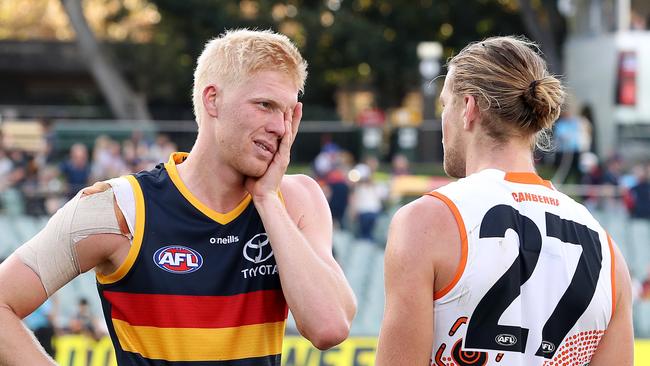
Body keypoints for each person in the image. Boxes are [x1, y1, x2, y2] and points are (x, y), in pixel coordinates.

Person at [0, 29, 356, 365]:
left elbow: (329, 328)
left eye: (287, 111)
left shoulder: (295, 199)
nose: (280, 127)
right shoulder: (121, 207)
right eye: (264, 105)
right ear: (212, 100)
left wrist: (266, 200)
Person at [376, 36, 633, 366]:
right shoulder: (608, 251)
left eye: (445, 105)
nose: (443, 120)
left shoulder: (427, 221)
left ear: (468, 108)